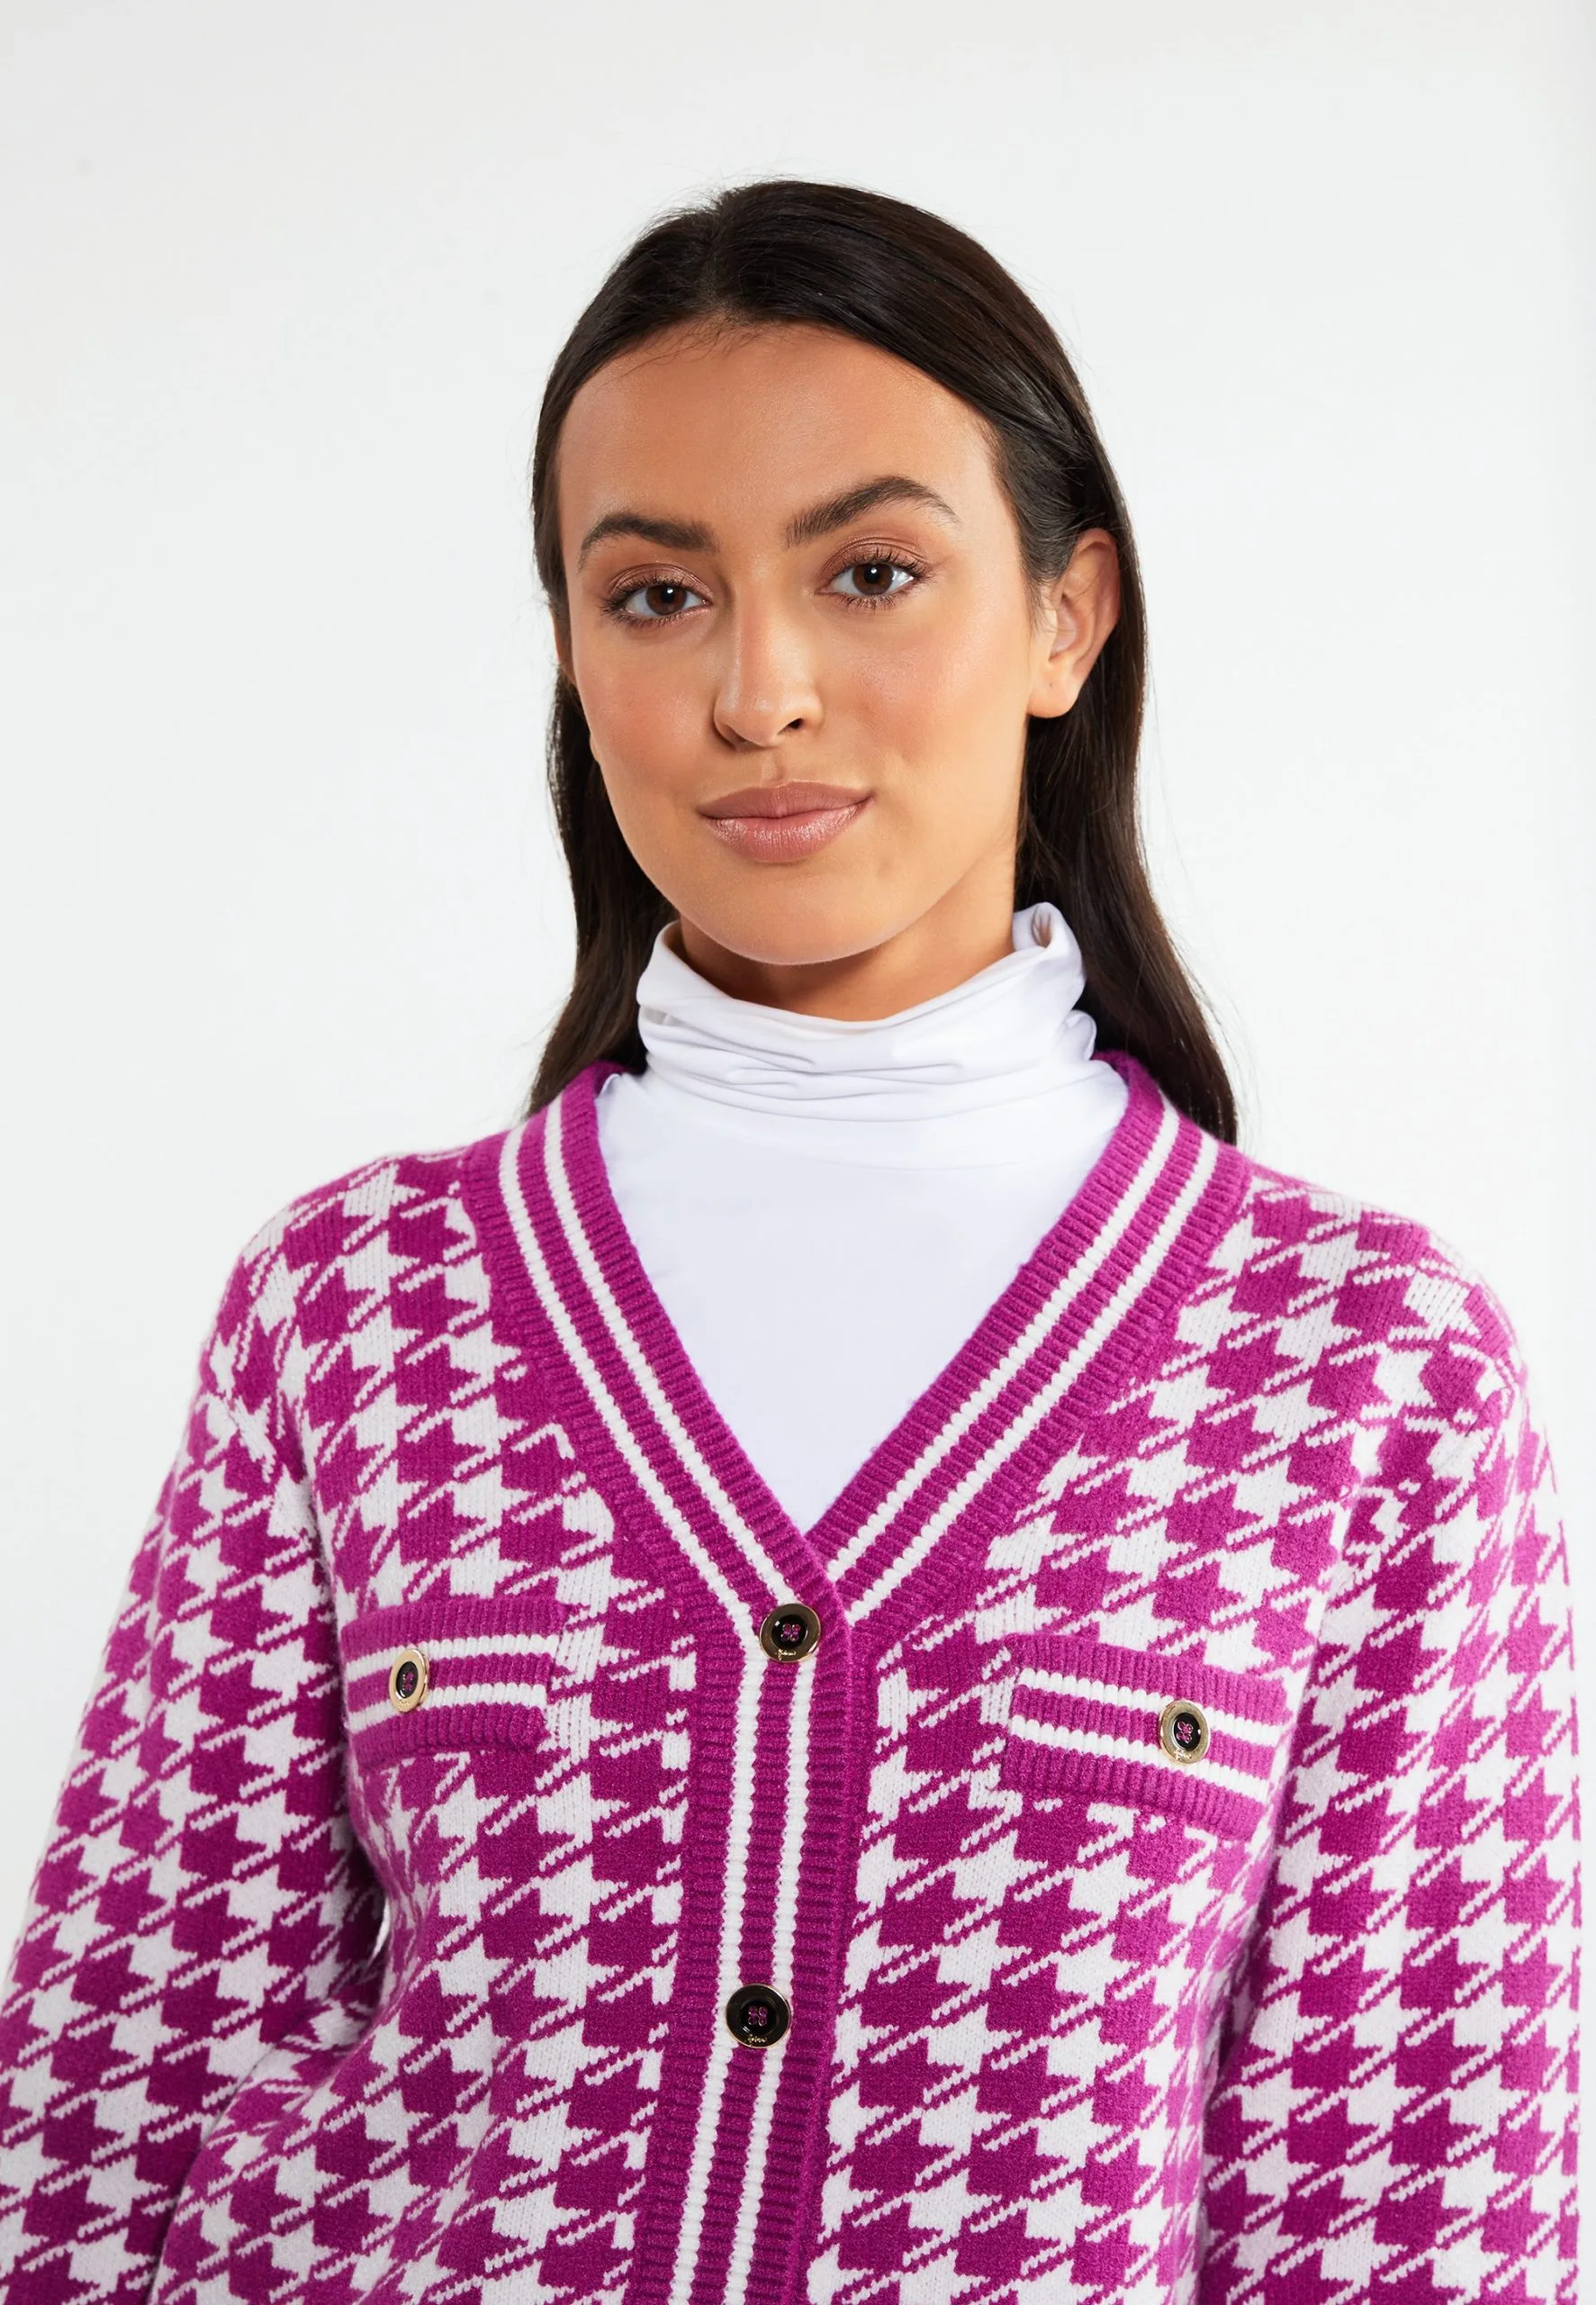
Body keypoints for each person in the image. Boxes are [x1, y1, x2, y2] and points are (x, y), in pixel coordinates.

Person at [0, 180, 1576, 2305]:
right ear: (572, 652)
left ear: (1065, 616)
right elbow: (117, 2102)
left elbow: (1412, 2205)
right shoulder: (360, 1307)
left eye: (871, 572)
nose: (760, 691)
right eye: (656, 595)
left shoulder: (1360, 1369)